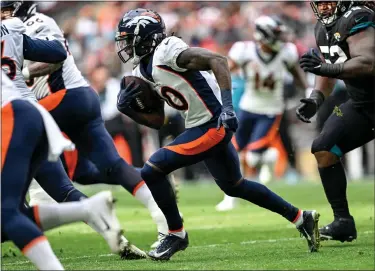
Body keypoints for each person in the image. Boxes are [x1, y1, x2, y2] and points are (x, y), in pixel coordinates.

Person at [115, 8, 320, 261]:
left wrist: (228, 107)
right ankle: (302, 218)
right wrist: (129, 110)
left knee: (152, 169)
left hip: (214, 123)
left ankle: (175, 234)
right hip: (199, 126)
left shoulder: (167, 50)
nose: (124, 45)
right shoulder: (141, 71)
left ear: (144, 36)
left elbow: (218, 61)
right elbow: (157, 121)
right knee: (234, 186)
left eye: (127, 38)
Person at [16, 1, 168, 251]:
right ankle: (162, 218)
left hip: (60, 98)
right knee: (108, 166)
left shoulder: (35, 23)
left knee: (56, 183)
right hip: (77, 99)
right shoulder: (18, 28)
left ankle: (41, 205)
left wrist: (25, 73)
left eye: (5, 9)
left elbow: (56, 56)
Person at [1, 68, 123, 269]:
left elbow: (54, 51)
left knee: (8, 213)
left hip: (14, 120)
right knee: (11, 214)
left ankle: (87, 208)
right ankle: (86, 209)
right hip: (32, 116)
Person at [297, 0, 375, 242]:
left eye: (329, 2)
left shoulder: (359, 17)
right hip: (361, 105)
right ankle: (343, 221)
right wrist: (316, 99)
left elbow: (367, 63)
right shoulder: (322, 29)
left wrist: (323, 69)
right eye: (319, 3)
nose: (324, 8)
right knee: (324, 148)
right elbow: (329, 68)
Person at [216, 15, 309, 211]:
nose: (281, 38)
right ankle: (230, 197)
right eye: (276, 34)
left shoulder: (287, 53)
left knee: (252, 158)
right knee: (234, 152)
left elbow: (298, 76)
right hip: (247, 107)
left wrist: (309, 93)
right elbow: (224, 70)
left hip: (271, 111)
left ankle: (269, 157)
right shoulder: (244, 50)